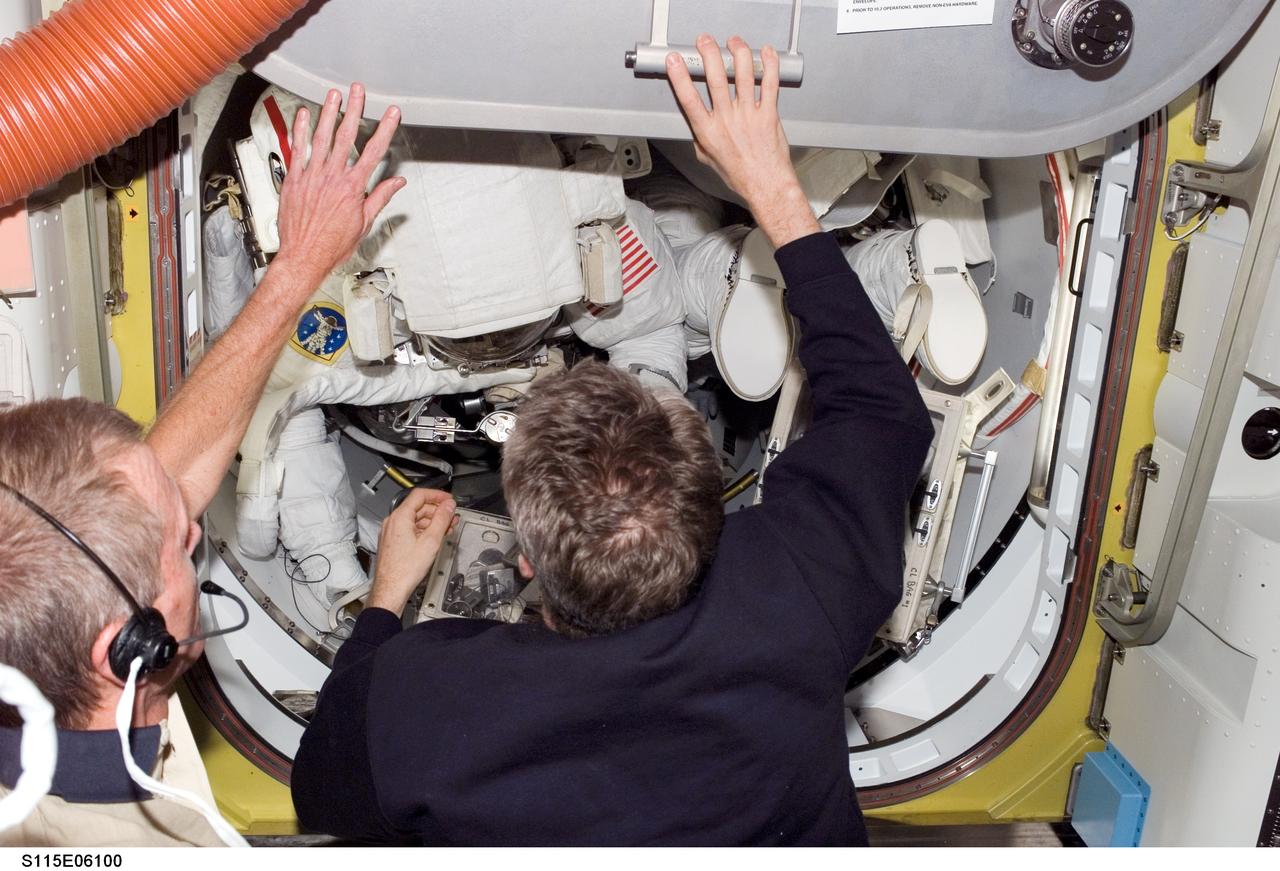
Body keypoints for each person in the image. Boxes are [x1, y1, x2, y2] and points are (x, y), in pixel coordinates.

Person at [292, 36, 934, 846]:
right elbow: (884, 414)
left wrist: (384, 605)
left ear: (528, 558)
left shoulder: (423, 700)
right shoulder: (797, 590)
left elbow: (319, 794)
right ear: (710, 504)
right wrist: (771, 181)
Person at [0, 84, 404, 847]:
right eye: (183, 542)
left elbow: (165, 477)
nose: (195, 523)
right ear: (127, 646)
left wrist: (299, 266)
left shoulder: (64, 634)